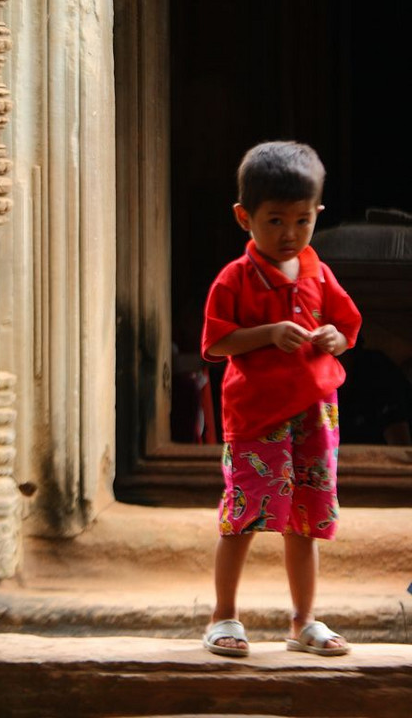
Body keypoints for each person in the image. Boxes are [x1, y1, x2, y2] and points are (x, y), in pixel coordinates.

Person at [200, 141, 362, 657]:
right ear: (243, 216)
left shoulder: (317, 270)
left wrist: (336, 338)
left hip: (316, 414)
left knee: (307, 521)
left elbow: (345, 324)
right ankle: (223, 617)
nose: (289, 235)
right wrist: (268, 332)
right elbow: (216, 343)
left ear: (317, 215)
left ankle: (303, 622)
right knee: (243, 517)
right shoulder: (235, 278)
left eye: (302, 221)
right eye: (274, 221)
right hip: (256, 418)